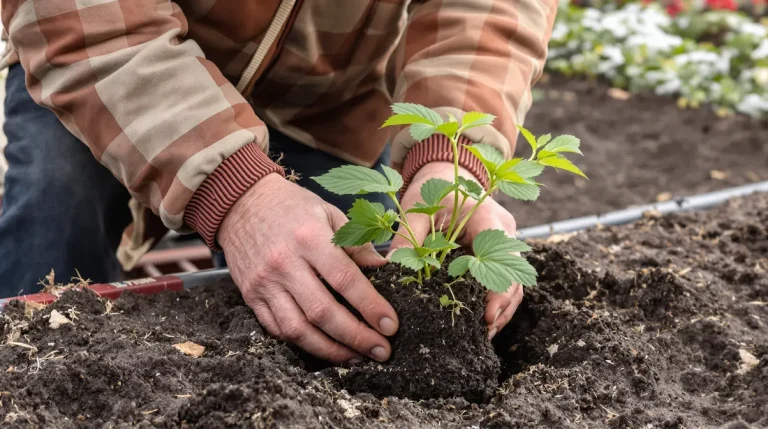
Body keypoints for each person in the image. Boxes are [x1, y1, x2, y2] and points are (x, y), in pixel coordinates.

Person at [0, 1, 556, 365]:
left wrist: (452, 154)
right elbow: (78, 15)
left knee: (347, 305)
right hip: (116, 62)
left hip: (322, 102)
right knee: (55, 205)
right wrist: (235, 191)